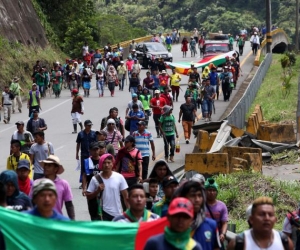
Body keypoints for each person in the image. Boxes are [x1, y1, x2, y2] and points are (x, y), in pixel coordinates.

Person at [227, 197, 293, 250]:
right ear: (251, 219)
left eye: (270, 215)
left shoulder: (285, 242)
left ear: (275, 220)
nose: (267, 218)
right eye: (262, 214)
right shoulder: (238, 243)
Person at [174, 181, 220, 250]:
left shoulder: (211, 225)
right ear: (183, 198)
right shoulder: (175, 225)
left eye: (199, 195)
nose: (197, 200)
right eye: (193, 195)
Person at [86, 154, 129, 221]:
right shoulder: (95, 179)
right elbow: (88, 196)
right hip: (102, 214)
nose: (106, 165)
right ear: (100, 164)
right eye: (104, 163)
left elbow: (126, 197)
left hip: (117, 214)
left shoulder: (119, 177)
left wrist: (129, 213)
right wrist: (97, 191)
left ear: (112, 164)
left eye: (109, 163)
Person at [33, 155, 75, 219]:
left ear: (56, 169)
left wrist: (73, 221)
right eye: (45, 165)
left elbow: (69, 204)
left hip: (56, 220)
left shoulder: (64, 184)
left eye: (49, 166)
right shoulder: (36, 183)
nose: (46, 167)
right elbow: (31, 202)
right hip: (39, 220)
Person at [205, 178, 228, 248]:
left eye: (213, 190)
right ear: (205, 191)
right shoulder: (200, 205)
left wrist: (223, 234)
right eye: (209, 190)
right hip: (204, 237)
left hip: (217, 237)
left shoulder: (222, 206)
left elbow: (224, 222)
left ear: (216, 192)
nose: (211, 192)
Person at [81, 142, 102, 220]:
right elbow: (84, 175)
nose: (96, 151)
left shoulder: (103, 161)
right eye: (93, 150)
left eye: (97, 149)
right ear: (90, 151)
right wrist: (84, 188)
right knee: (93, 212)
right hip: (91, 190)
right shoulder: (87, 162)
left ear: (99, 150)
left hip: (103, 190)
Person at [76, 120, 97, 187]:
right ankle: (83, 183)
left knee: (92, 168)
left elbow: (96, 144)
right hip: (84, 154)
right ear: (85, 125)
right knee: (83, 169)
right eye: (88, 125)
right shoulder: (80, 134)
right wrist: (76, 153)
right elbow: (78, 144)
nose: (89, 127)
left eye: (90, 125)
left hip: (92, 154)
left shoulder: (93, 134)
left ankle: (92, 181)